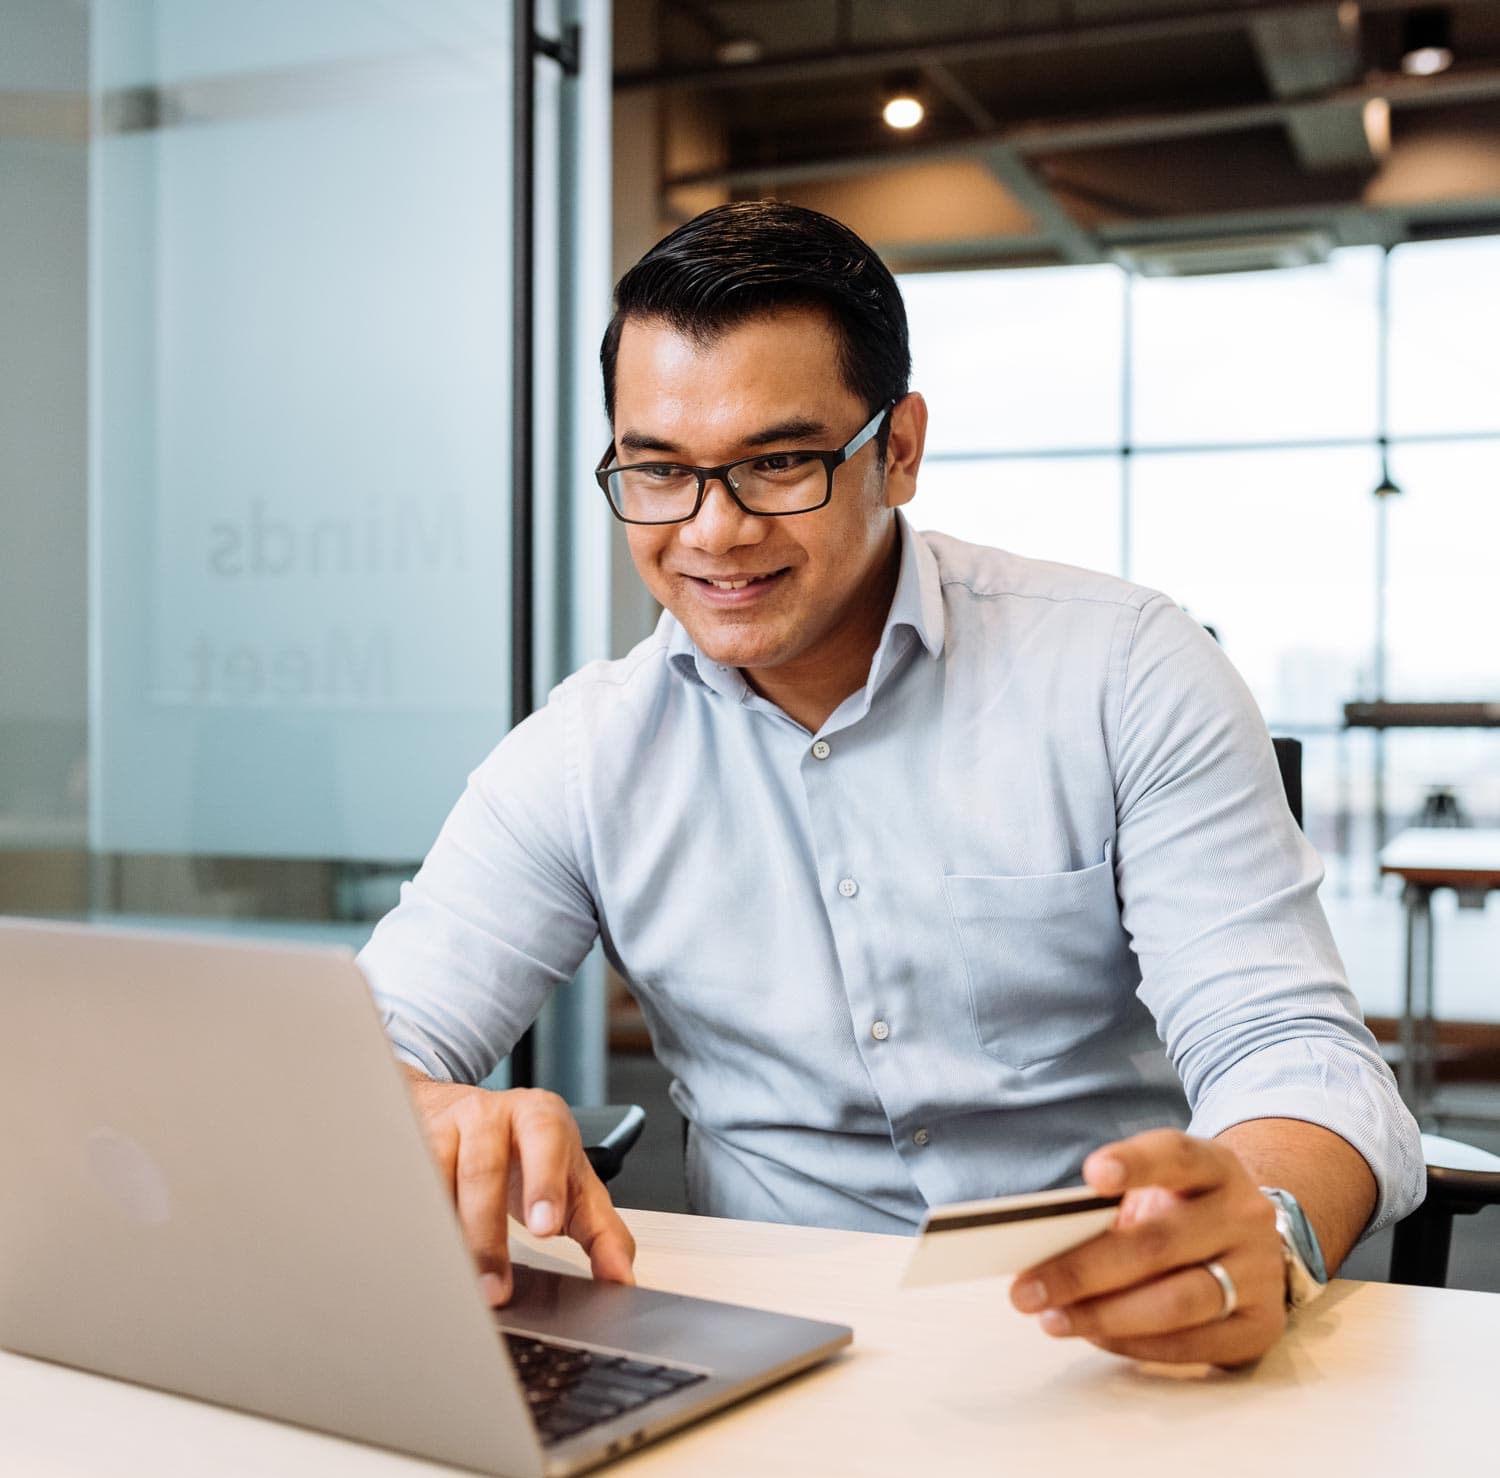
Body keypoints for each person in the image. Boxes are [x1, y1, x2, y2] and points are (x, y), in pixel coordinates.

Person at [358, 200, 1423, 1368]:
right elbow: (362, 1051)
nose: (712, 531)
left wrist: (1258, 1229)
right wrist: (431, 1115)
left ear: (899, 448)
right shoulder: (583, 752)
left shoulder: (1123, 670)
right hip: (759, 1347)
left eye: (778, 463)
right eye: (659, 472)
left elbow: (1288, 1048)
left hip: (1102, 1332)